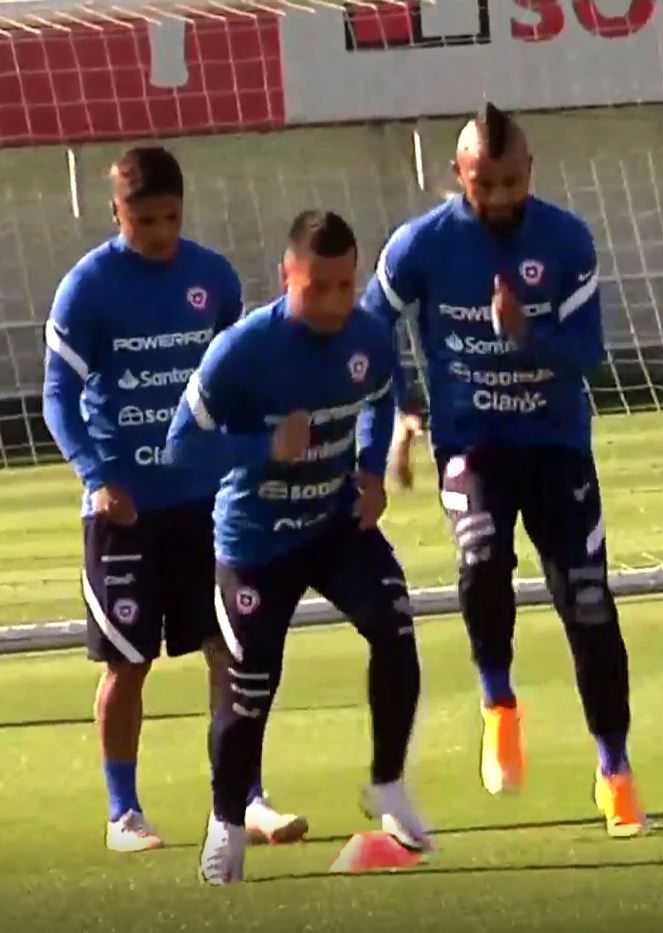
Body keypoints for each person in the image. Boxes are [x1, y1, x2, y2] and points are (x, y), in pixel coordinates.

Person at [361, 103, 644, 837]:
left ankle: (614, 767)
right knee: (481, 557)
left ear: (530, 173)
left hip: (554, 445)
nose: (497, 195)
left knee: (587, 601)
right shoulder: (420, 247)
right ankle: (498, 702)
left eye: (510, 180)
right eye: (484, 181)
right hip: (472, 444)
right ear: (458, 174)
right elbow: (364, 331)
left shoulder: (566, 240)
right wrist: (404, 407)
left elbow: (589, 355)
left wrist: (528, 333)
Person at [42, 145, 306, 853]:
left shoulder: (211, 277)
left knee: (230, 650)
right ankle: (123, 812)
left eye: (169, 217)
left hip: (207, 504)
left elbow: (236, 378)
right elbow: (58, 396)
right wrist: (96, 477)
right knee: (128, 665)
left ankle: (243, 797)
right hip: (125, 511)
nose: (158, 232)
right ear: (116, 211)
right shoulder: (87, 288)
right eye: (142, 218)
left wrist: (253, 452)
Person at [167, 210, 429, 885]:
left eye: (345, 286)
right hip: (255, 541)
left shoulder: (367, 333)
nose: (335, 302)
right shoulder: (243, 350)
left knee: (395, 627)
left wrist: (371, 469)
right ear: (287, 276)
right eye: (319, 288)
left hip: (334, 524)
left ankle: (388, 785)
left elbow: (378, 394)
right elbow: (180, 445)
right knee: (249, 685)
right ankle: (226, 822)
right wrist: (260, 447)